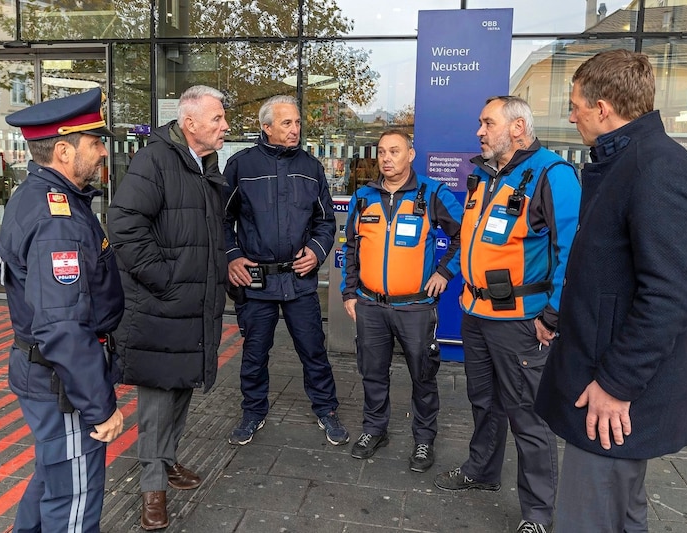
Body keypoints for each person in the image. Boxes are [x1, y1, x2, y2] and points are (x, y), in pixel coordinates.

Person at [535, 49, 687, 533]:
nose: (570, 115)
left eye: (575, 104)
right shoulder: (624, 163)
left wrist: (616, 385)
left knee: (590, 520)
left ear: (603, 107)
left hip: (612, 398)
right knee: (619, 515)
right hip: (600, 384)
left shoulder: (659, 169)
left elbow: (670, 296)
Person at [434, 96, 581, 533]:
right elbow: (474, 238)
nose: (479, 132)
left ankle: (537, 512)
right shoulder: (484, 176)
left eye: (487, 123)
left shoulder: (553, 175)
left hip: (521, 320)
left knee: (527, 416)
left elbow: (570, 252)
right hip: (476, 314)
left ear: (517, 128)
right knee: (484, 402)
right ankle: (482, 470)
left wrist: (551, 316)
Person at [0, 87, 125, 532]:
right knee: (73, 501)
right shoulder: (57, 220)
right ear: (64, 150)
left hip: (47, 377)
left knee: (54, 477)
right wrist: (100, 407)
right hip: (62, 382)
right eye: (96, 142)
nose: (104, 150)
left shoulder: (38, 195)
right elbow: (63, 326)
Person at [107, 85, 230, 531]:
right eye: (217, 119)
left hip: (194, 304)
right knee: (158, 396)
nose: (225, 126)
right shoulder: (155, 159)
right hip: (162, 305)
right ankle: (151, 487)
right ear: (190, 122)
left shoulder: (205, 165)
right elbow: (123, 226)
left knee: (182, 385)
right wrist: (166, 279)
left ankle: (168, 460)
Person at [223, 94, 349, 447]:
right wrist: (232, 256)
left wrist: (317, 251)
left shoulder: (311, 168)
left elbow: (325, 222)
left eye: (296, 123)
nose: (295, 129)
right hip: (256, 279)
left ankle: (326, 409)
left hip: (299, 279)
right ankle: (253, 411)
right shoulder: (241, 166)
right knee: (254, 351)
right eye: (287, 123)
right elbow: (220, 219)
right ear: (266, 127)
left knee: (313, 349)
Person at [340, 129, 462, 471]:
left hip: (415, 307)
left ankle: (424, 440)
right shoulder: (363, 197)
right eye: (381, 152)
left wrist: (444, 273)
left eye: (394, 151)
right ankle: (374, 429)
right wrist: (349, 293)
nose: (387, 158)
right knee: (372, 373)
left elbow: (464, 235)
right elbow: (351, 247)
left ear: (411, 154)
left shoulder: (432, 192)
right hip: (370, 306)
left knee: (423, 376)